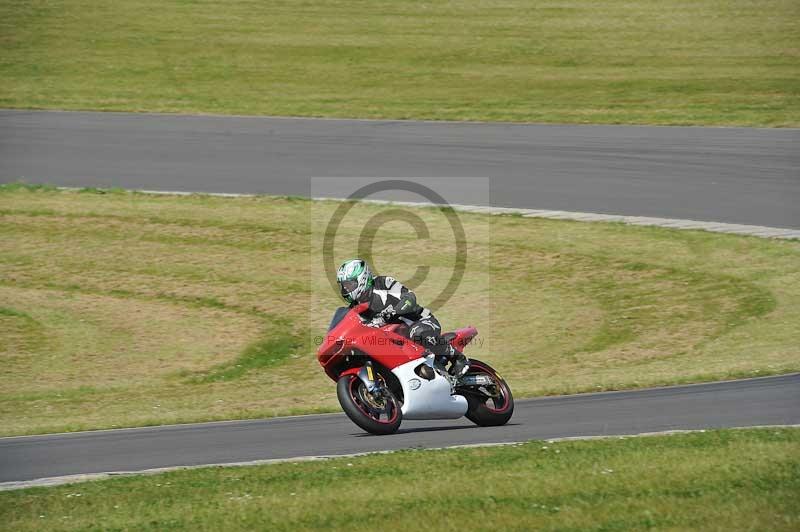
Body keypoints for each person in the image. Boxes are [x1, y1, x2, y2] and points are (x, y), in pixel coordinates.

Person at [336, 258, 469, 377]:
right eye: (344, 286)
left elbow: (409, 297)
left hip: (419, 321)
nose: (346, 289)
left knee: (417, 333)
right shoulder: (354, 309)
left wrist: (394, 311)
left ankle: (458, 359)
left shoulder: (382, 283)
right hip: (394, 339)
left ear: (362, 278)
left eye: (349, 284)